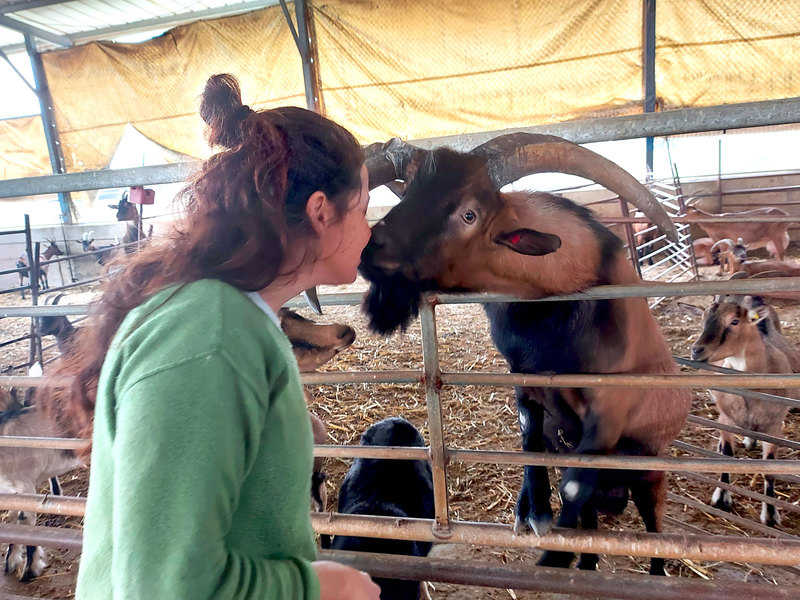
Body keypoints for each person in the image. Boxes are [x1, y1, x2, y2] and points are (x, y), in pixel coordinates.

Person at [67, 73, 380, 599]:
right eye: (364, 208)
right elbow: (162, 588)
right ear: (321, 211)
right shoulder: (207, 339)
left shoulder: (233, 320)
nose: (371, 229)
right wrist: (325, 588)